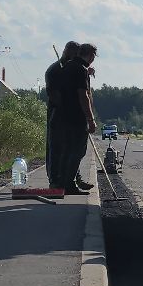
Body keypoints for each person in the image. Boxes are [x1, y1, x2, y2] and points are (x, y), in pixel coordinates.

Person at [43, 41, 96, 193]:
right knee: (59, 150)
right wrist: (87, 118)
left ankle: (70, 181)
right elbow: (60, 96)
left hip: (66, 116)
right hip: (62, 116)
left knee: (72, 151)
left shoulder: (70, 68)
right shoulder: (55, 70)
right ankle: (57, 183)